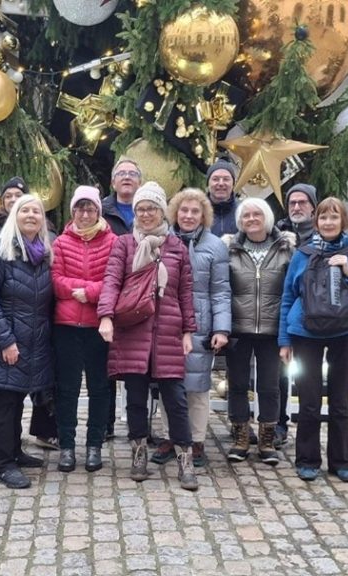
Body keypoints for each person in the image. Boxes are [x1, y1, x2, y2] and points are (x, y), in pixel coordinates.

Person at [97, 182, 199, 491]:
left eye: (151, 208)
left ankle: (185, 456)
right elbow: (112, 281)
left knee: (176, 400)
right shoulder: (124, 245)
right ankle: (139, 450)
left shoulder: (176, 247)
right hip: (132, 330)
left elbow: (185, 292)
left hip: (167, 330)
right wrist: (106, 316)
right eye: (141, 209)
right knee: (136, 398)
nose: (146, 214)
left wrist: (188, 331)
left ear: (161, 211)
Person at [279, 198, 348, 483]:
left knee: (340, 401)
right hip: (305, 334)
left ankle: (340, 462)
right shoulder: (303, 254)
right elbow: (288, 297)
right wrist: (284, 341)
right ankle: (307, 459)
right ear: (316, 222)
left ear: (343, 222)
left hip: (345, 333)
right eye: (323, 217)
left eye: (333, 217)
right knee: (309, 402)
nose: (327, 222)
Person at [0, 194, 55, 489]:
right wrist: (6, 341)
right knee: (5, 404)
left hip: (35, 341)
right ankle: (3, 464)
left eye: (36, 211)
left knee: (19, 399)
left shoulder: (44, 254)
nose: (31, 215)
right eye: (25, 211)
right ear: (14, 216)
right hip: (6, 341)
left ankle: (15, 452)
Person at [150, 188, 230, 469]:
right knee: (168, 383)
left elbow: (220, 291)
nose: (188, 215)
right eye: (184, 210)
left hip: (200, 323)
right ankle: (171, 437)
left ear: (203, 215)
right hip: (167, 322)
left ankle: (195, 441)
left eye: (195, 211)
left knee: (197, 386)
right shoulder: (162, 241)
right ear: (175, 212)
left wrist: (221, 328)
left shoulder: (215, 246)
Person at [222, 197, 294, 465]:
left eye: (257, 214)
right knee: (237, 384)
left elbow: (292, 292)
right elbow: (222, 288)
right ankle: (241, 437)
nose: (251, 219)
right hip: (238, 328)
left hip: (272, 329)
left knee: (270, 386)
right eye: (246, 215)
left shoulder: (286, 248)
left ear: (267, 218)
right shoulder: (229, 248)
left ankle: (267, 439)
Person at [51, 186, 117, 473]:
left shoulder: (113, 242)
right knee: (67, 389)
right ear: (73, 211)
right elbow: (55, 279)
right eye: (80, 208)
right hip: (66, 325)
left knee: (100, 388)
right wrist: (74, 290)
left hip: (97, 326)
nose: (85, 214)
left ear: (98, 212)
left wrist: (87, 292)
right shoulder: (61, 243)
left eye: (90, 209)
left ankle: (94, 445)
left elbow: (114, 280)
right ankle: (66, 446)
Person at [101, 159, 143, 440]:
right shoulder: (100, 211)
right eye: (121, 173)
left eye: (132, 173)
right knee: (107, 365)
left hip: (141, 300)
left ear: (139, 181)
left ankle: (139, 427)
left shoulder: (151, 210)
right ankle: (105, 424)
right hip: (108, 295)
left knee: (139, 366)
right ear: (113, 182)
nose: (127, 178)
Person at [274, 182, 318, 447]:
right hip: (283, 313)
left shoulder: (321, 233)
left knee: (307, 375)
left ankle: (307, 425)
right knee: (280, 374)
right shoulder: (278, 233)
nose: (297, 207)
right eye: (292, 203)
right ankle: (280, 422)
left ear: (313, 207)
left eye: (302, 203)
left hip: (314, 315)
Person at [205, 159, 239, 237]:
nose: (221, 183)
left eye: (226, 179)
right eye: (215, 179)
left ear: (233, 184)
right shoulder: (198, 211)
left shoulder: (243, 211)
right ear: (208, 184)